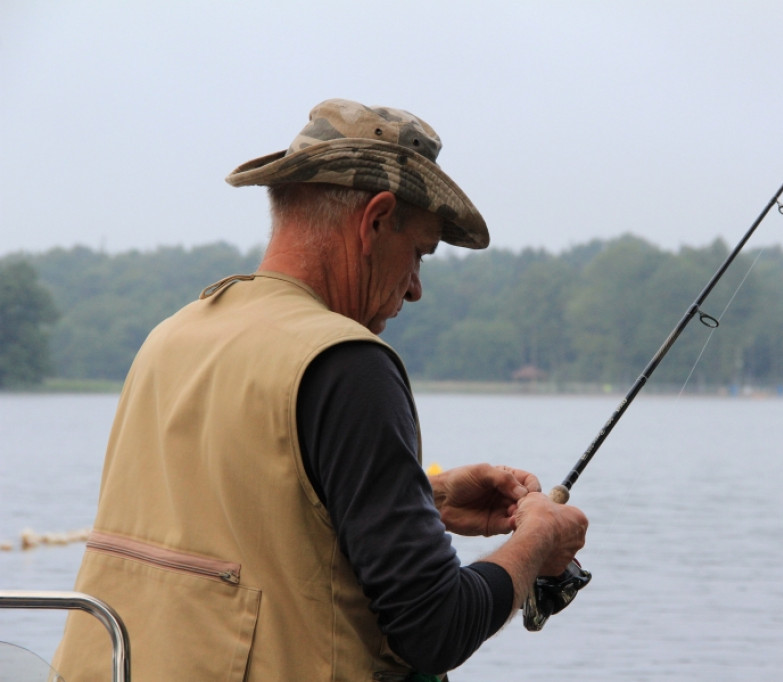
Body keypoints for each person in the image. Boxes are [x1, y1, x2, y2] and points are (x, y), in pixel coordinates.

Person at [53, 98, 589, 681]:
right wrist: (537, 540)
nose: (415, 289)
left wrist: (424, 500)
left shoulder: (172, 335)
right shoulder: (348, 363)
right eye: (420, 253)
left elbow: (244, 524)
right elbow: (435, 627)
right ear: (376, 219)